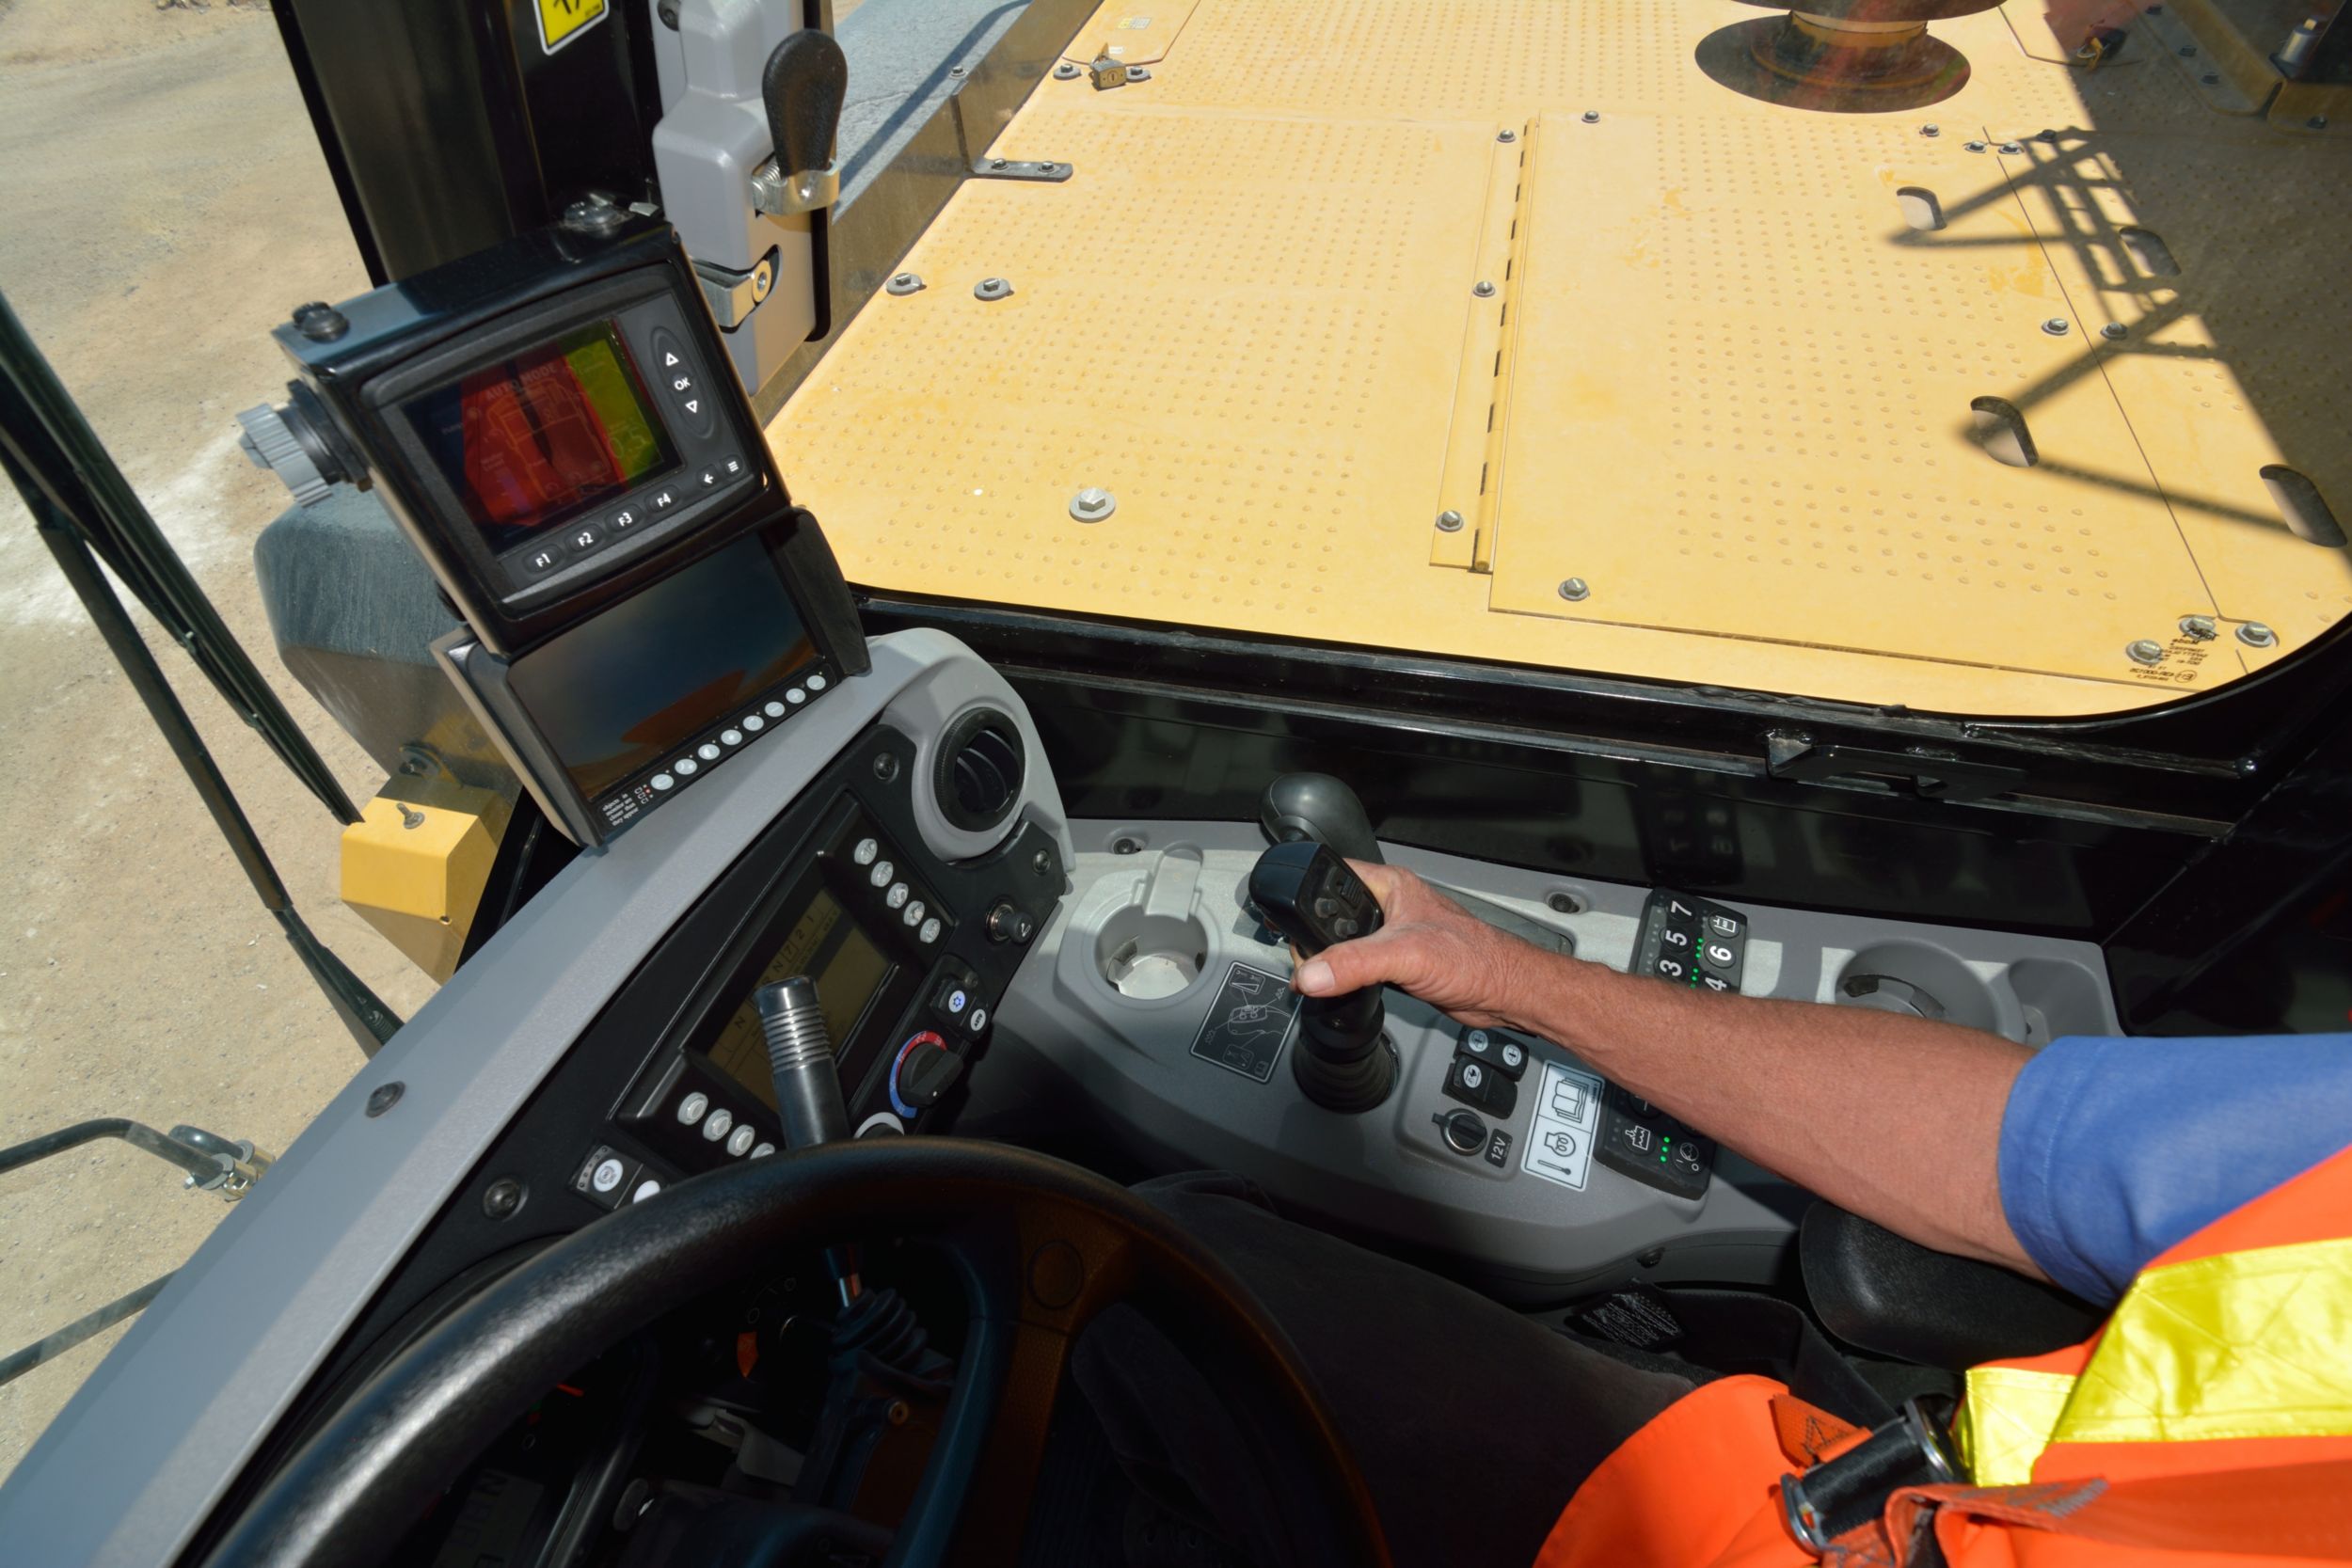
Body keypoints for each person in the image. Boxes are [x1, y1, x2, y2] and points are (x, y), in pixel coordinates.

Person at [1077, 863, 2352, 1568]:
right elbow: (2016, 1149)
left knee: (1143, 1289)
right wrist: (1510, 982)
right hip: (1808, 1499)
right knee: (1187, 1279)